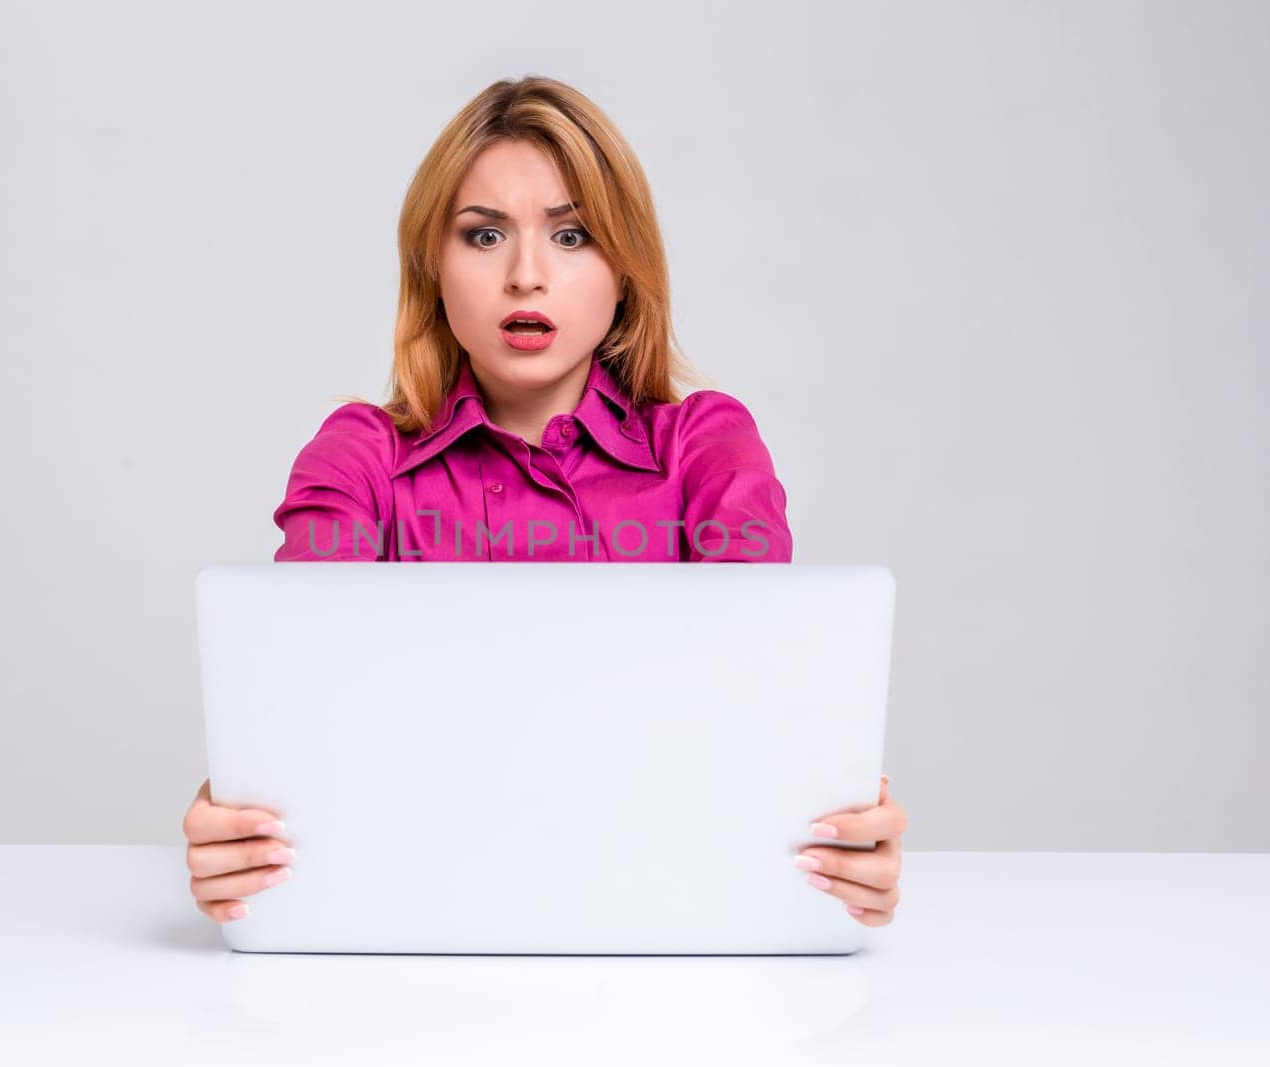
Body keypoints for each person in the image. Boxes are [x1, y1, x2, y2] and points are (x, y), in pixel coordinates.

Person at [183, 75, 906, 927]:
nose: (527, 276)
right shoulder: (362, 457)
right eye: (484, 234)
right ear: (433, 265)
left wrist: (848, 834)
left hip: (669, 912)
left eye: (571, 234)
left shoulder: (706, 447)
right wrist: (239, 818)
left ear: (624, 267)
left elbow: (766, 698)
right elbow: (297, 700)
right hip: (412, 915)